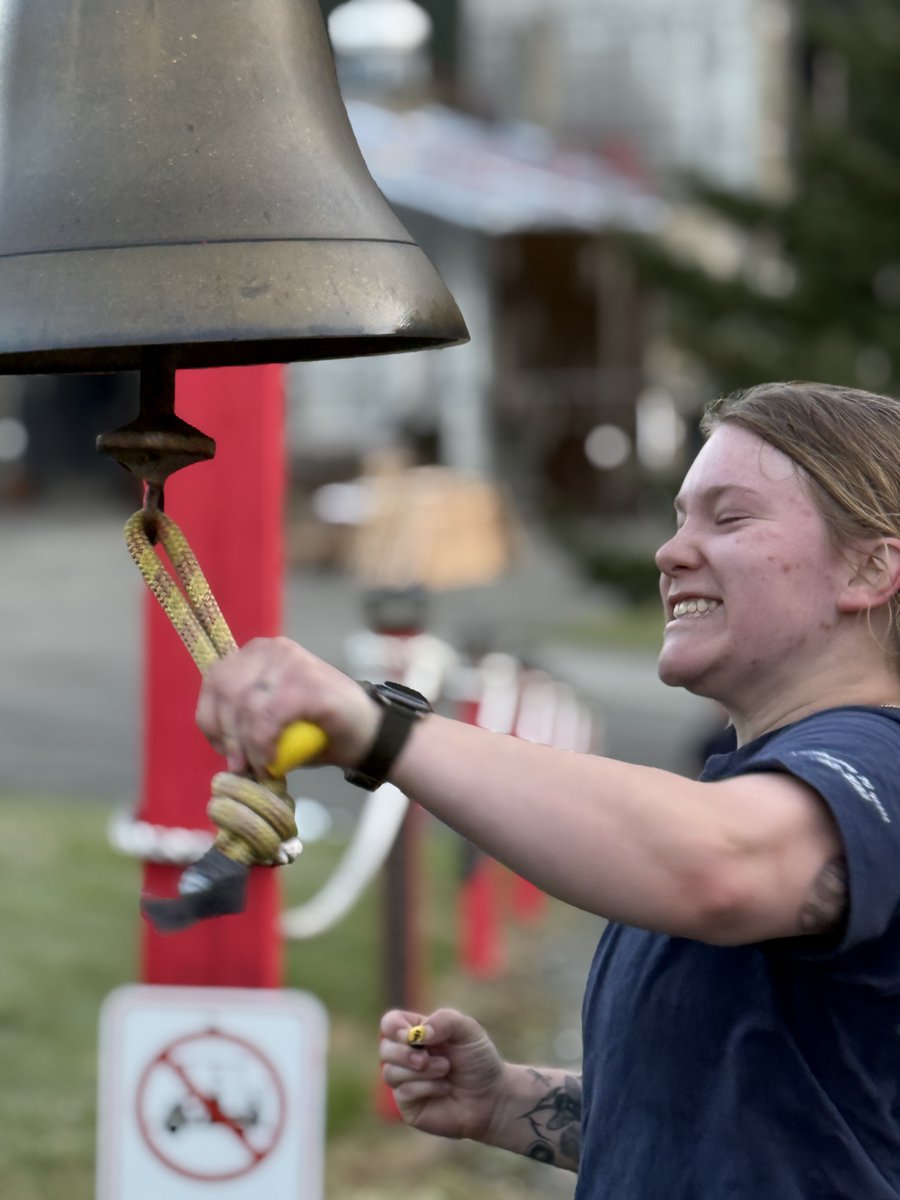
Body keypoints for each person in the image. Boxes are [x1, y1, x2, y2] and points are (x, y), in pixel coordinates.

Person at [195, 381, 900, 1199]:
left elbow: (718, 865)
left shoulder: (875, 761)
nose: (672, 553)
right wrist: (508, 1103)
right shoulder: (752, 791)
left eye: (729, 517)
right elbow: (758, 1119)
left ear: (872, 567)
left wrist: (379, 730)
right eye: (679, 519)